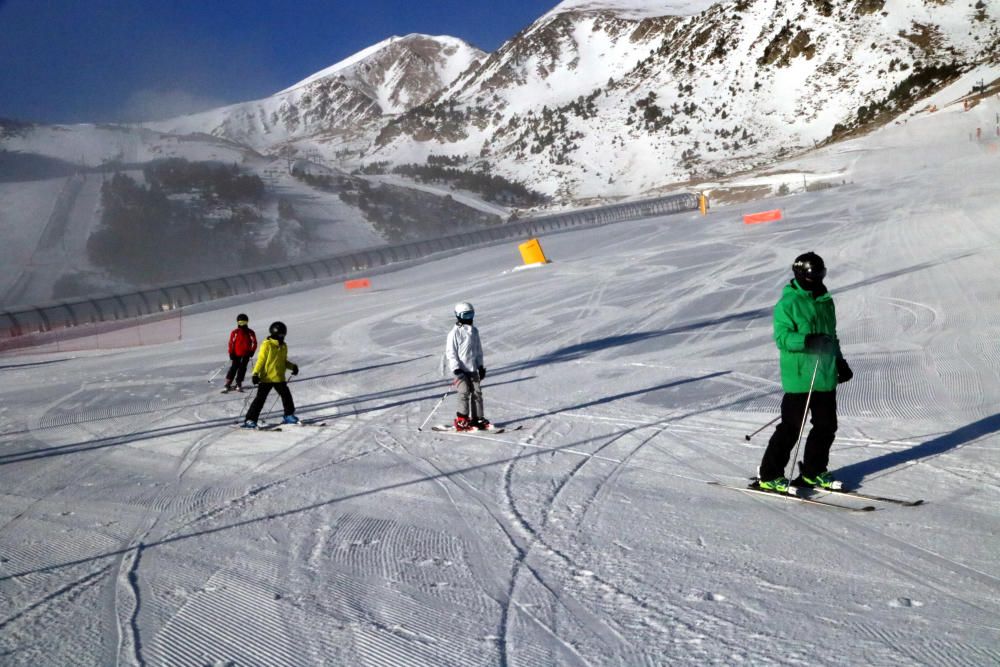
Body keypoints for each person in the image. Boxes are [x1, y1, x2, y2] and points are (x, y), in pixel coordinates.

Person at [755, 252, 853, 493]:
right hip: (800, 377)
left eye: (820, 273)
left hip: (825, 374)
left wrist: (840, 362)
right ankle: (769, 475)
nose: (817, 278)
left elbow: (831, 337)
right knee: (791, 428)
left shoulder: (825, 301)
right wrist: (807, 340)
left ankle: (814, 471)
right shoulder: (788, 304)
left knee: (826, 426)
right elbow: (782, 338)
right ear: (800, 274)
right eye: (812, 274)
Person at [242, 321, 301, 428]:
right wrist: (255, 373)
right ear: (274, 333)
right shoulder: (267, 345)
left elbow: (283, 362)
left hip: (279, 378)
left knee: (287, 397)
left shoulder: (283, 346)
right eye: (280, 335)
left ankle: (288, 415)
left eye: (283, 335)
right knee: (260, 400)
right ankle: (250, 420)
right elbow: (261, 360)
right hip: (266, 378)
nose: (282, 337)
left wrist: (293, 367)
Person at [444, 301, 490, 431]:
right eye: (466, 316)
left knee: (477, 393)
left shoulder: (474, 331)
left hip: (473, 369)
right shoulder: (454, 333)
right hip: (460, 371)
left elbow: (478, 351)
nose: (469, 319)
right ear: (458, 316)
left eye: (471, 315)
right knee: (464, 392)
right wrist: (456, 369)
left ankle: (477, 418)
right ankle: (462, 419)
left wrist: (480, 366)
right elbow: (450, 353)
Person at [223, 313, 257, 392]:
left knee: (242, 368)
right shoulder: (235, 332)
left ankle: (239, 382)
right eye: (240, 323)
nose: (242, 325)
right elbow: (231, 343)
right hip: (236, 354)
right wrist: (231, 352)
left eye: (244, 323)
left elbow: (254, 342)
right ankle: (228, 382)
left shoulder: (250, 332)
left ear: (247, 322)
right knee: (234, 368)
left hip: (246, 354)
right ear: (238, 323)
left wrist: (252, 351)